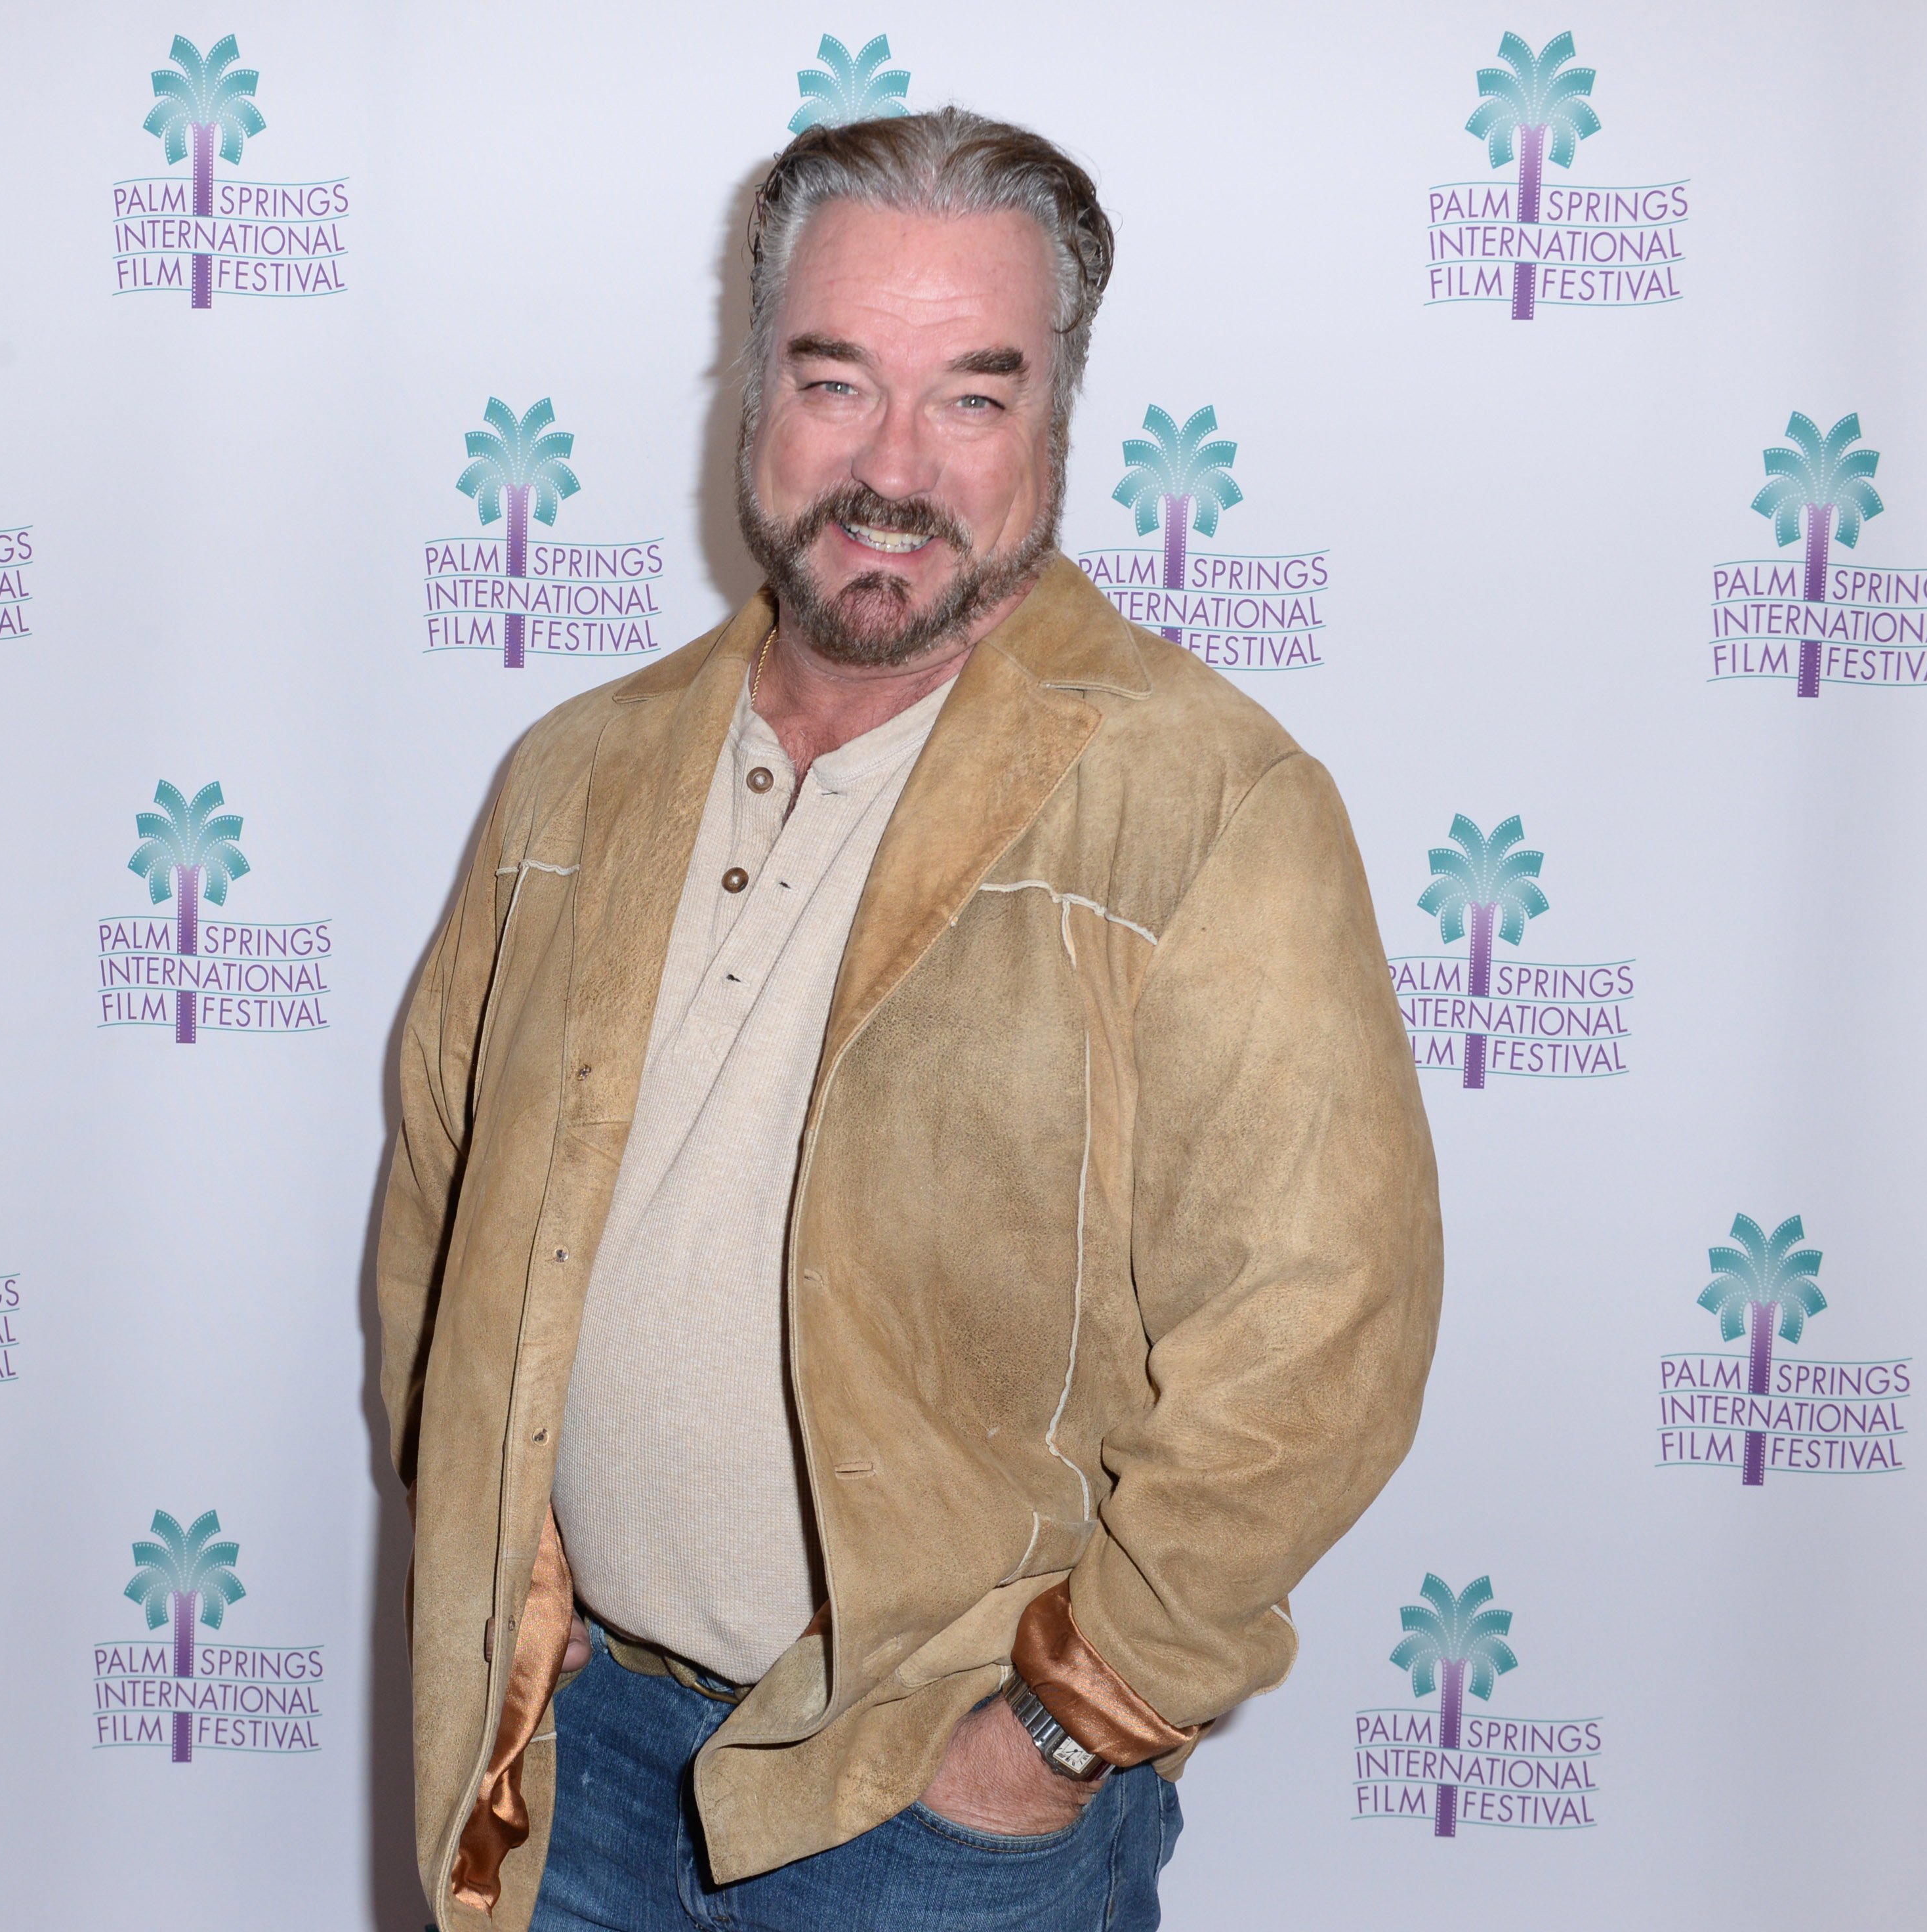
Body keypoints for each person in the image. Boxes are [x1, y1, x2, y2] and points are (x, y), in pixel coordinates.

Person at [378, 106, 1441, 1932]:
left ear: (1056, 423)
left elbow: (1318, 1340)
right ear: (751, 391)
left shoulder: (1205, 805)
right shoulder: (574, 780)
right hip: (580, 1767)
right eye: (837, 378)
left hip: (938, 1821)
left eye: (972, 393)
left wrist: (1054, 1730)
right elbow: (439, 1213)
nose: (892, 463)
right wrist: (512, 1587)